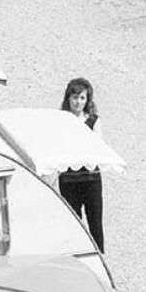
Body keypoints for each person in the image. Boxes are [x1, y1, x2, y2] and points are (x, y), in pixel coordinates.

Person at [56, 78, 106, 250]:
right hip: (69, 180)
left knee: (95, 223)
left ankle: (100, 258)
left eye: (82, 98)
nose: (78, 102)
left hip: (91, 179)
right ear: (68, 99)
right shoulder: (60, 120)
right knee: (74, 225)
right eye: (75, 97)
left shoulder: (93, 121)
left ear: (87, 100)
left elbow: (97, 147)